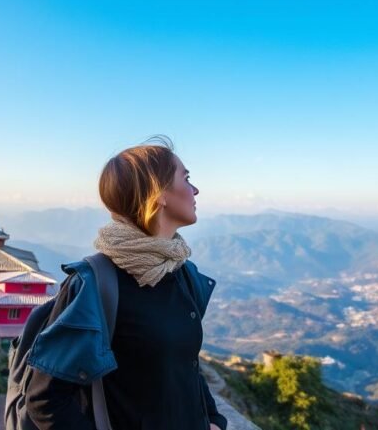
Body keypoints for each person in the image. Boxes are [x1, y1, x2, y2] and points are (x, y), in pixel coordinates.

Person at [25, 138, 228, 429]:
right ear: (159, 194)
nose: (195, 190)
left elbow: (184, 365)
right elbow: (45, 400)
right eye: (186, 178)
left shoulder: (182, 272)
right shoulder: (95, 284)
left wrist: (213, 420)